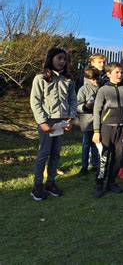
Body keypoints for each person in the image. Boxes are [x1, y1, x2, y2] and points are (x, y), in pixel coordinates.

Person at [30, 48, 77, 201]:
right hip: (47, 122)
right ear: (51, 59)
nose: (62, 61)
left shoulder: (68, 79)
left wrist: (70, 118)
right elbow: (35, 101)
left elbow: (72, 100)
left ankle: (51, 182)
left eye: (64, 59)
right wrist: (42, 121)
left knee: (56, 154)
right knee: (44, 153)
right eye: (59, 58)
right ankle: (37, 186)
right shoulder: (40, 78)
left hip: (61, 121)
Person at [92, 62, 123, 198]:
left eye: (121, 72)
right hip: (106, 128)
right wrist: (96, 131)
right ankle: (99, 183)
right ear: (109, 74)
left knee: (118, 156)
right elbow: (96, 110)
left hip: (122, 128)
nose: (120, 74)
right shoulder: (103, 90)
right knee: (103, 157)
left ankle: (111, 182)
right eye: (117, 72)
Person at [76, 65, 100, 177]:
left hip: (98, 120)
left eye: (96, 78)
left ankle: (95, 164)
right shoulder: (83, 89)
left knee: (96, 143)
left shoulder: (101, 87)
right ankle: (84, 166)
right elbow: (77, 105)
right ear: (88, 78)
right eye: (93, 79)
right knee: (86, 144)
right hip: (86, 121)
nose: (95, 81)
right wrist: (86, 106)